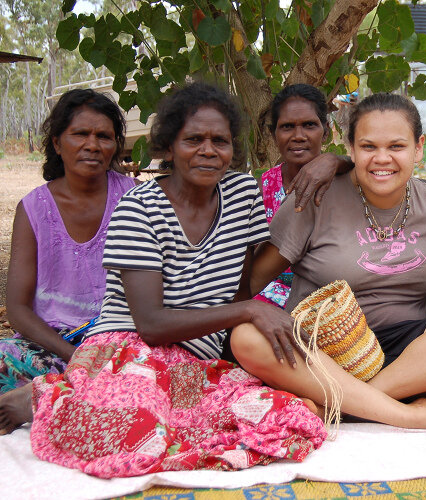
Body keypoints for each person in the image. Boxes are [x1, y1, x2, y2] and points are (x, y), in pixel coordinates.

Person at [0, 82, 327, 477]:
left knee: (287, 420)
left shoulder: (242, 194)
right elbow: (151, 325)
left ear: (232, 150)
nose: (208, 150)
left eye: (219, 141)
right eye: (193, 139)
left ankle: (74, 396)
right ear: (168, 148)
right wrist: (251, 311)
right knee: (140, 431)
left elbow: (237, 291)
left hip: (193, 358)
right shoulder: (139, 207)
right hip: (130, 349)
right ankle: (47, 400)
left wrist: (239, 351)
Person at [230, 93, 426, 432]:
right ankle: (409, 415)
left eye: (396, 146)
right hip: (322, 356)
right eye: (368, 147)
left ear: (419, 148)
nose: (382, 159)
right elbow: (248, 286)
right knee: (245, 337)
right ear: (349, 148)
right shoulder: (314, 199)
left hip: (412, 359)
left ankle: (343, 407)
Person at [0, 89, 136, 393]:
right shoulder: (34, 208)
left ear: (115, 145)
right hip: (55, 345)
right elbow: (18, 309)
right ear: (58, 143)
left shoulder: (136, 198)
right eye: (80, 134)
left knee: (148, 371)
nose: (92, 145)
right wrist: (74, 356)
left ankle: (49, 395)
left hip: (122, 343)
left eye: (104, 136)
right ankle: (62, 391)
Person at [255, 83, 349, 308]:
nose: (298, 136)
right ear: (273, 134)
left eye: (309, 125)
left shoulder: (345, 181)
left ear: (325, 132)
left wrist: (335, 160)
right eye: (287, 127)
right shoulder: (261, 189)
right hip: (266, 304)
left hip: (331, 305)